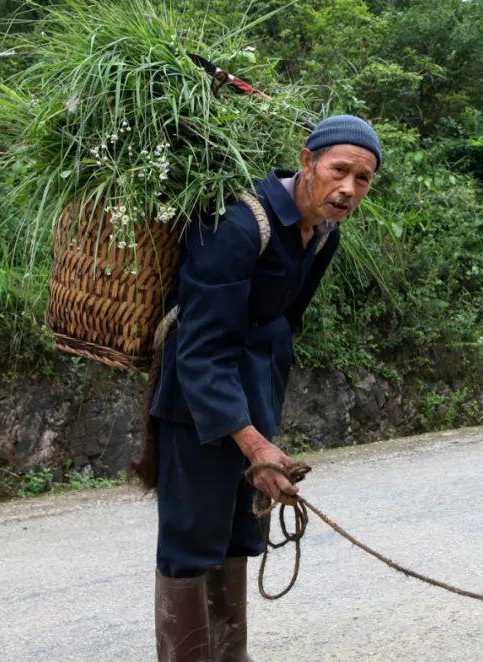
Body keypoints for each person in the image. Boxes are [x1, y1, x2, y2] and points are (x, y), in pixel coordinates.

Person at [139, 115, 382, 661]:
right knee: (191, 538)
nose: (347, 188)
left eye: (362, 179)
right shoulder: (238, 223)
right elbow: (201, 348)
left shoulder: (323, 234)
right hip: (197, 404)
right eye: (339, 170)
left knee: (237, 536)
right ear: (307, 162)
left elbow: (280, 324)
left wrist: (261, 427)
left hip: (254, 397)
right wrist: (254, 444)